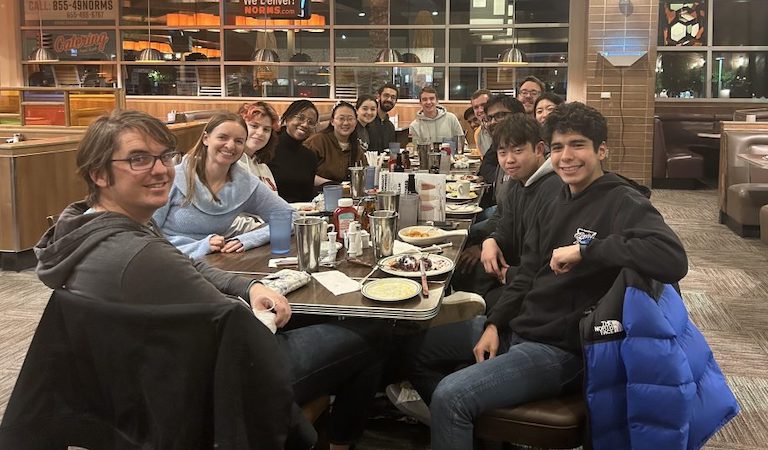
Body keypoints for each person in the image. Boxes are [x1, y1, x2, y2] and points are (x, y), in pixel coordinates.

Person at [34, 110, 388, 450]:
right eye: (138, 159)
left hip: (150, 368)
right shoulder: (138, 256)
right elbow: (235, 326)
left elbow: (190, 268)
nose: (161, 171)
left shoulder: (90, 224)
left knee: (309, 317)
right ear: (99, 174)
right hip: (207, 383)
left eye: (164, 156)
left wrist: (248, 286)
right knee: (369, 333)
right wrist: (253, 307)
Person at [406, 102, 689, 449]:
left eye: (577, 145)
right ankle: (477, 434)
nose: (566, 156)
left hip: (563, 349)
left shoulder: (622, 200)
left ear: (601, 150)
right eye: (557, 147)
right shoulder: (555, 199)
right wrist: (495, 323)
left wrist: (587, 250)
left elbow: (672, 258)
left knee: (452, 396)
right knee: (412, 349)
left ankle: (459, 420)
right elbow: (527, 275)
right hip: (521, 326)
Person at [453, 115, 562, 307]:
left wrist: (508, 274)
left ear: (539, 149)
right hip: (515, 270)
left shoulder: (554, 189)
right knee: (463, 269)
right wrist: (490, 241)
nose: (509, 160)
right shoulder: (518, 182)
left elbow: (545, 261)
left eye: (518, 151)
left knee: (479, 291)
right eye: (502, 153)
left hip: (538, 285)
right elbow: (506, 224)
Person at [152, 113, 294, 259]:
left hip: (215, 264)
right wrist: (200, 246)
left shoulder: (245, 183)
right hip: (167, 261)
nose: (230, 145)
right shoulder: (172, 178)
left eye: (239, 141)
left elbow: (290, 217)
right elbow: (144, 235)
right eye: (223, 137)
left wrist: (249, 239)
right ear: (206, 138)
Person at [268, 100, 320, 202]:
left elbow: (308, 195)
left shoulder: (310, 157)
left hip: (301, 214)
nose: (305, 125)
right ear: (288, 118)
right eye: (300, 118)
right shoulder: (268, 148)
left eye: (311, 122)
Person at [305, 101, 367, 186]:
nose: (345, 123)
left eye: (350, 119)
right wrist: (332, 184)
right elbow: (304, 174)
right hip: (318, 193)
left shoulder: (356, 148)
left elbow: (364, 174)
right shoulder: (317, 141)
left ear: (356, 122)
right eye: (341, 118)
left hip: (347, 196)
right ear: (332, 121)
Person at [237, 101, 280, 191]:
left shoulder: (264, 169)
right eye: (254, 126)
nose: (260, 133)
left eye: (266, 129)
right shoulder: (228, 165)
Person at [369, 83, 398, 153]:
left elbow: (394, 153)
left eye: (393, 97)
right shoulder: (368, 121)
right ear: (378, 97)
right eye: (386, 95)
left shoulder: (390, 126)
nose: (389, 99)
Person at [470, 89, 492, 156]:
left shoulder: (505, 127)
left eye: (483, 105)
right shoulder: (478, 133)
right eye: (476, 107)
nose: (480, 110)